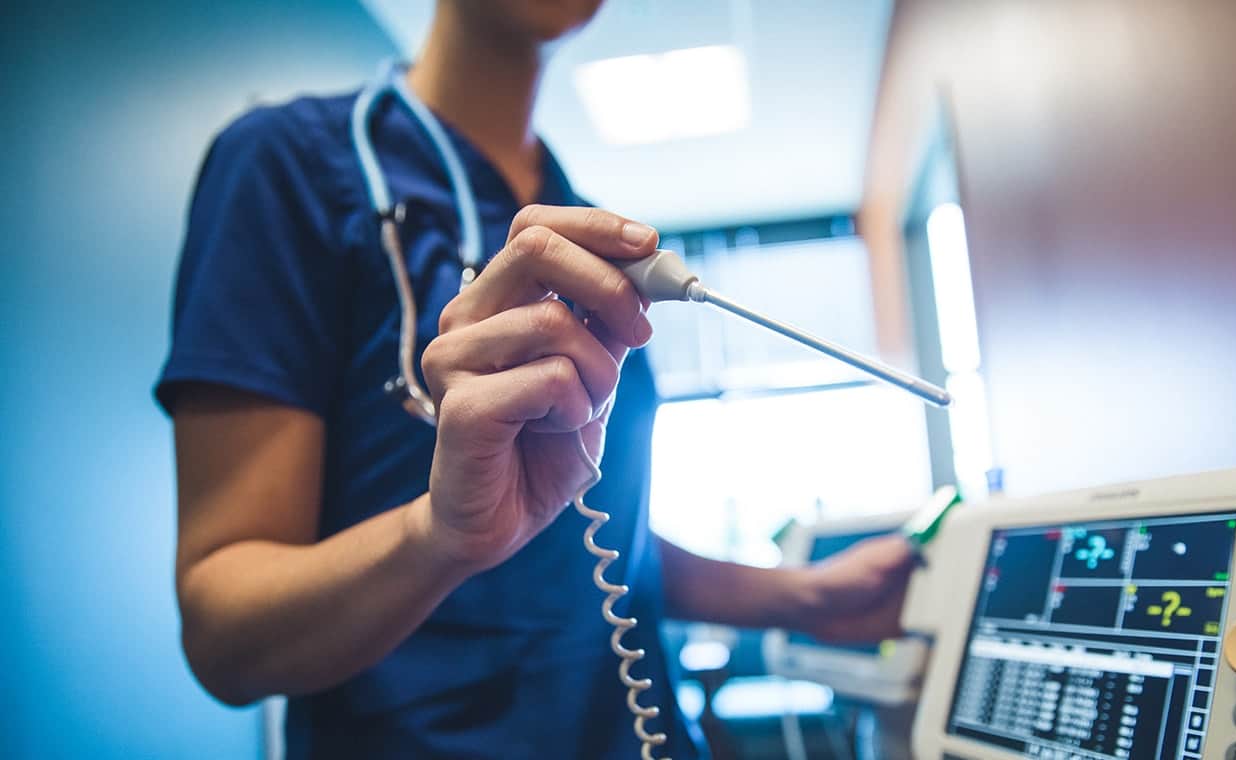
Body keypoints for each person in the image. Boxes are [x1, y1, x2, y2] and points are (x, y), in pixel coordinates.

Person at [156, 1, 917, 756]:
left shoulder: (581, 228)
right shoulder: (290, 168)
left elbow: (596, 537)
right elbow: (226, 637)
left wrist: (809, 598)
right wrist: (440, 536)